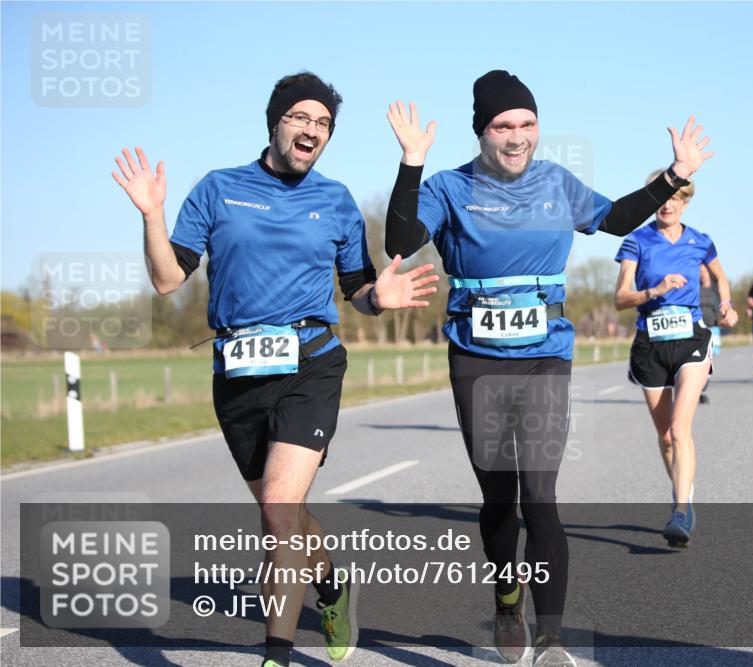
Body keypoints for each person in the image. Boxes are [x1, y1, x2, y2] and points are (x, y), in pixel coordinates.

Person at [383, 70, 714, 666]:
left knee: (540, 497)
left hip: (544, 359)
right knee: (498, 500)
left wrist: (675, 174)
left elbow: (614, 218)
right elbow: (400, 239)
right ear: (482, 130)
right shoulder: (449, 187)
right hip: (476, 361)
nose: (517, 136)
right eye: (504, 125)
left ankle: (551, 640)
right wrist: (411, 163)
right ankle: (507, 596)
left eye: (527, 124)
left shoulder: (556, 183)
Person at [113, 72, 439, 667]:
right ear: (275, 122)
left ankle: (278, 655)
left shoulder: (336, 200)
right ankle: (334, 589)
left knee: (279, 511)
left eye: (323, 123)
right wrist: (152, 216)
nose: (311, 129)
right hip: (236, 375)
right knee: (277, 520)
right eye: (300, 117)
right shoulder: (218, 189)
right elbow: (167, 280)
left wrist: (377, 298)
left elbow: (357, 289)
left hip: (310, 365)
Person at [614, 172, 737, 548]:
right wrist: (654, 289)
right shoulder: (636, 241)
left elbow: (720, 279)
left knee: (681, 429)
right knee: (665, 437)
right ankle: (681, 490)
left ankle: (681, 510)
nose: (667, 204)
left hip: (691, 341)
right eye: (661, 198)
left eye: (675, 198)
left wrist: (727, 305)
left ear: (685, 201)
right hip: (650, 343)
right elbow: (620, 297)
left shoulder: (701, 241)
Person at [698, 264, 721, 404]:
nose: (703, 274)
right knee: (697, 360)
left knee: (709, 360)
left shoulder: (715, 289)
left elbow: (722, 305)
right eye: (700, 271)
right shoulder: (694, 287)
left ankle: (701, 388)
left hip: (713, 328)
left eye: (705, 271)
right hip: (697, 328)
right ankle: (697, 391)